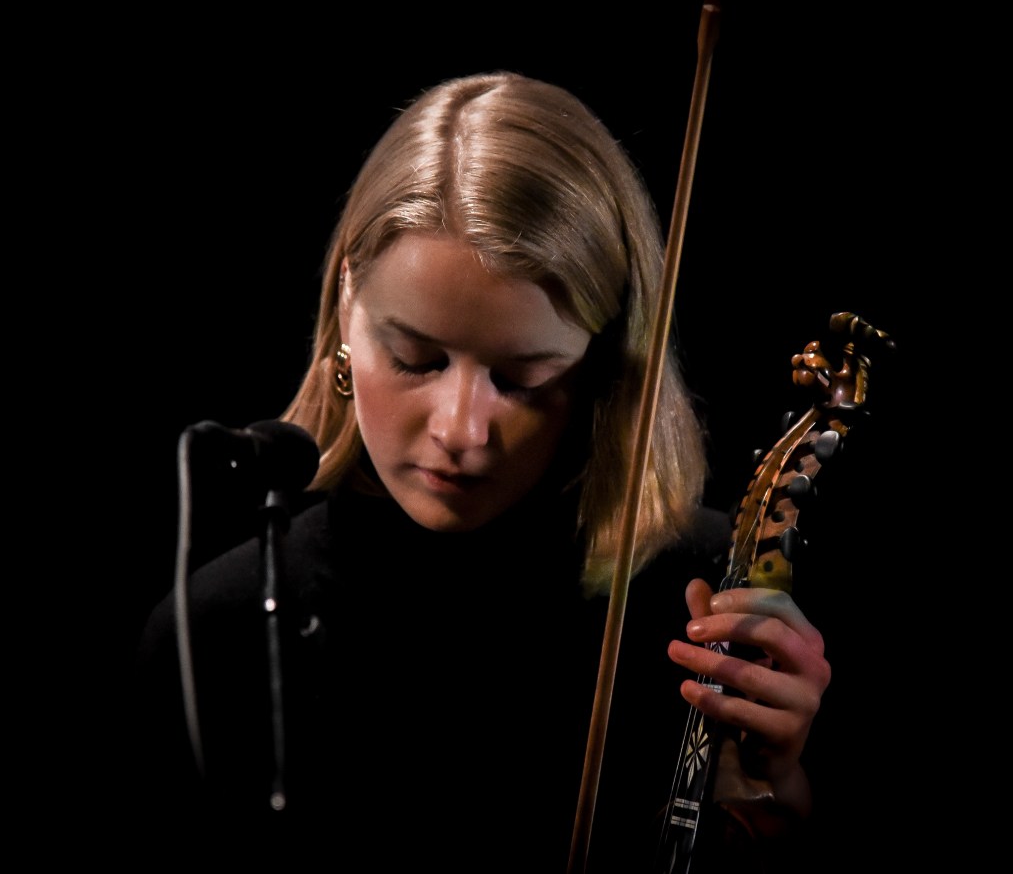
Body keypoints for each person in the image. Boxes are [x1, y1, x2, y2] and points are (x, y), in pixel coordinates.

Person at [127, 71, 831, 872]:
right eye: (416, 358)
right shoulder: (211, 632)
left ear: (606, 367)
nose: (461, 431)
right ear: (348, 303)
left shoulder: (709, 601)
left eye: (522, 380)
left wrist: (780, 798)